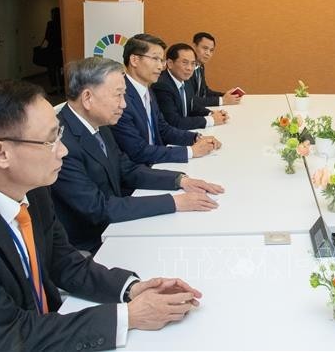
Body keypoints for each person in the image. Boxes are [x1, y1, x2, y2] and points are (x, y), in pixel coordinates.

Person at [0, 78, 203, 351]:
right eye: (50, 141)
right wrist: (128, 317)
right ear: (1, 153)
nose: (64, 150)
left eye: (59, 134)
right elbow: (6, 334)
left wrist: (130, 289)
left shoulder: (32, 189)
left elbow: (65, 262)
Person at [52, 57, 223, 253]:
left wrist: (179, 180)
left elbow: (126, 169)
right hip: (92, 246)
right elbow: (97, 208)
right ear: (87, 98)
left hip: (117, 226)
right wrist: (173, 202)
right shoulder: (61, 144)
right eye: (118, 95)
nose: (124, 105)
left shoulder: (98, 123)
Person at [111, 34, 221, 165]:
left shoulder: (147, 90)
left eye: (161, 60)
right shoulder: (119, 97)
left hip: (157, 162)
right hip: (139, 173)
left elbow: (163, 129)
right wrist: (190, 151)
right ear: (134, 60)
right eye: (155, 59)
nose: (160, 66)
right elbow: (138, 151)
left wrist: (195, 138)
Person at [152, 43, 229, 130]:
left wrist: (211, 114)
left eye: (193, 64)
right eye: (185, 63)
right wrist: (210, 120)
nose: (189, 68)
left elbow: (191, 106)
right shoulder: (162, 85)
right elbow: (174, 122)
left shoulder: (187, 80)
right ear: (170, 63)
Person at [188, 32, 242, 107]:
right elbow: (190, 100)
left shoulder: (200, 66)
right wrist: (222, 100)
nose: (208, 53)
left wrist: (225, 95)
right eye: (205, 48)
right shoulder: (186, 70)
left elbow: (204, 92)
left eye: (211, 50)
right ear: (194, 46)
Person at [41, 7, 63, 94]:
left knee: (52, 69)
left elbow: (47, 37)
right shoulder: (62, 23)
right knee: (61, 68)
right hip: (61, 49)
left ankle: (55, 87)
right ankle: (62, 85)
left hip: (52, 50)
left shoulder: (50, 24)